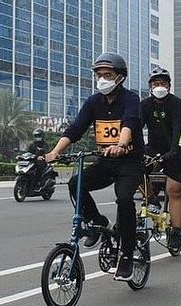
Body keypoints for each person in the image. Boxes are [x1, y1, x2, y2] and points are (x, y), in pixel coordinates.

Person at [45, 52, 144, 281]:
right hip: (106, 162)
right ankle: (98, 221)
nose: (102, 80)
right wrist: (54, 152)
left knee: (125, 199)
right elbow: (76, 129)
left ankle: (127, 255)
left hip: (129, 163)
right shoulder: (93, 102)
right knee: (76, 183)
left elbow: (129, 123)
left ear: (120, 77)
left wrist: (121, 143)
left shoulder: (131, 99)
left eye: (107, 75)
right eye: (99, 75)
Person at [141, 66, 181, 251]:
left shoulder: (176, 103)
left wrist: (174, 151)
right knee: (135, 168)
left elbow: (180, 129)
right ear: (150, 86)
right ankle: (151, 199)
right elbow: (135, 127)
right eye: (155, 83)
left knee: (174, 190)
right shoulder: (145, 105)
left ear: (169, 85)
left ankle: (176, 231)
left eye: (163, 83)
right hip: (156, 147)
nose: (159, 86)